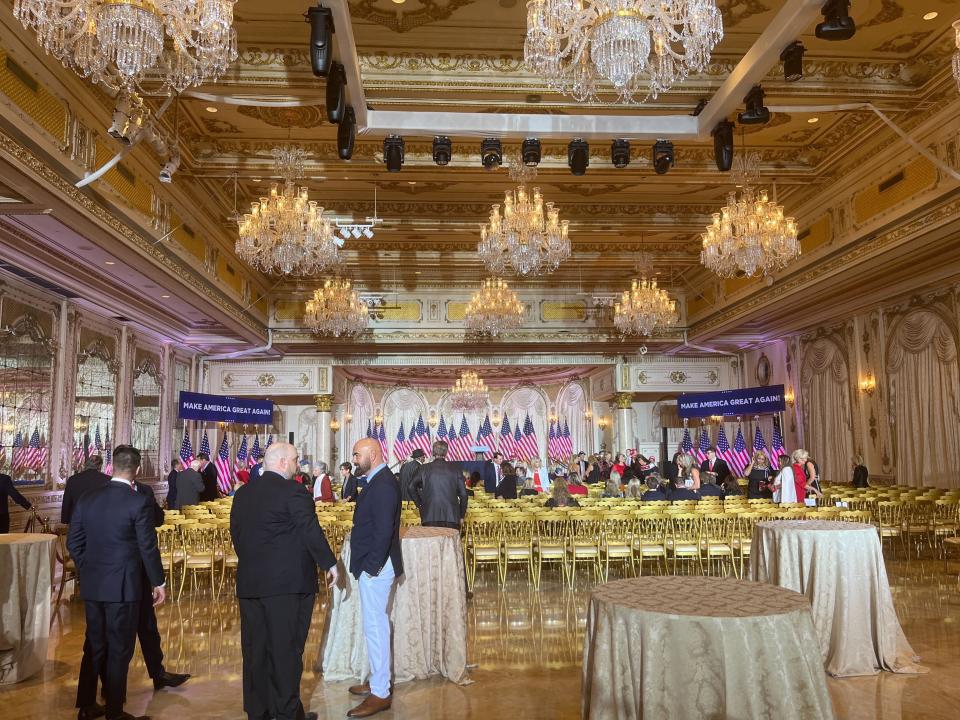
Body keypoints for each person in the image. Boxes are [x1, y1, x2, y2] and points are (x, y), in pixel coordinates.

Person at [230, 441, 337, 720]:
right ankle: (287, 713)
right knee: (286, 650)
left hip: (251, 583)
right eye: (295, 460)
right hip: (287, 586)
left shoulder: (243, 494)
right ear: (281, 463)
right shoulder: (293, 491)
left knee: (255, 651)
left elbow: (237, 537)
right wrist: (329, 562)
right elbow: (309, 529)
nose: (298, 465)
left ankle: (259, 711)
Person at [68, 445, 166, 720]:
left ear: (111, 466)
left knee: (94, 644)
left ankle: (86, 706)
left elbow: (73, 542)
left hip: (93, 584)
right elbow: (148, 547)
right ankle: (114, 712)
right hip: (124, 586)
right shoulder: (138, 502)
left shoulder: (87, 498)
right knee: (119, 648)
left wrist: (90, 569)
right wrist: (158, 582)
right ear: (135, 471)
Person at [346, 438, 403, 718]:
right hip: (374, 565)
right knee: (374, 626)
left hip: (376, 567)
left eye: (357, 455)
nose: (354, 459)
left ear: (373, 453)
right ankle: (379, 680)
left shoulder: (383, 484)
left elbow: (383, 531)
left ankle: (381, 692)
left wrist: (370, 567)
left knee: (376, 626)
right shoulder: (377, 480)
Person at [411, 440, 469, 530]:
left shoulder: (423, 468)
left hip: (429, 516)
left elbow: (411, 487)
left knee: (431, 544)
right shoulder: (456, 469)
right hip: (452, 517)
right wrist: (461, 515)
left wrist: (420, 504)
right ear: (446, 452)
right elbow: (464, 495)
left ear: (433, 452)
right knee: (449, 544)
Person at [61, 455, 110, 525]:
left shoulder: (73, 479)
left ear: (86, 465)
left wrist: (65, 520)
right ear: (100, 466)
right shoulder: (107, 480)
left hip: (77, 521)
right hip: (100, 522)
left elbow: (67, 502)